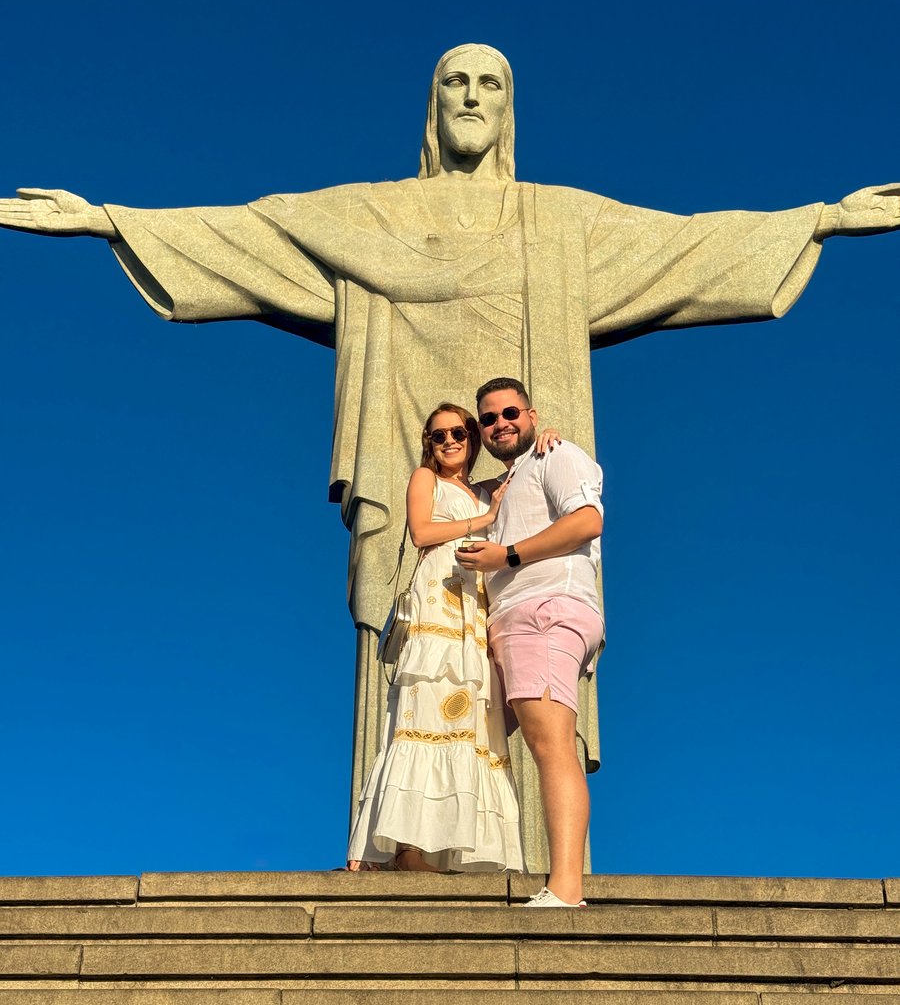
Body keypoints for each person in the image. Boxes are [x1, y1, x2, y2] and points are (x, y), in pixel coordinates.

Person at [2, 43, 898, 868]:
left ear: (511, 111)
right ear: (432, 107)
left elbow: (686, 242)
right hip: (418, 523)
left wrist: (815, 221)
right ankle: (402, 861)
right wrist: (109, 222)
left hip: (528, 543)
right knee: (415, 668)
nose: (472, 98)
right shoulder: (370, 216)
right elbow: (254, 233)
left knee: (527, 690)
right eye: (455, 84)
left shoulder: (560, 224)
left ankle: (543, 874)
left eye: (490, 85)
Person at [347, 402, 558, 872]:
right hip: (438, 603)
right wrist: (484, 521)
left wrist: (548, 438)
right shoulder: (428, 480)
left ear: (473, 438)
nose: (449, 441)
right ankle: (408, 847)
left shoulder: (484, 490)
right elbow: (422, 532)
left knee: (467, 722)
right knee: (422, 709)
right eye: (438, 435)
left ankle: (449, 846)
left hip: (474, 612)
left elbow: (528, 470)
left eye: (459, 432)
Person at [458, 378, 605, 907]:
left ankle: (566, 887)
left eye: (511, 413)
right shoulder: (506, 482)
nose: (502, 423)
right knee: (469, 734)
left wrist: (510, 555)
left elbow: (588, 520)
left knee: (551, 745)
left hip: (543, 610)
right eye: (490, 418)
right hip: (512, 621)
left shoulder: (556, 454)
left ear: (532, 415)